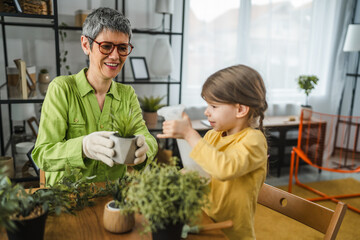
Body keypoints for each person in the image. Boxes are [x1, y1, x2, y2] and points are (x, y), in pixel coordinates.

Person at [32, 7, 157, 186]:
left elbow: (146, 138)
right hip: (67, 199)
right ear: (85, 45)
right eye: (106, 46)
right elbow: (43, 155)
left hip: (112, 198)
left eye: (122, 48)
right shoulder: (62, 89)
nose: (115, 56)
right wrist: (83, 147)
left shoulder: (127, 95)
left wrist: (146, 148)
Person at [157, 64, 268, 240]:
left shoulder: (254, 141)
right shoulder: (212, 135)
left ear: (240, 109)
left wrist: (189, 134)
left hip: (231, 234)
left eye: (214, 106)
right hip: (203, 221)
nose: (206, 112)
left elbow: (224, 169)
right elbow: (197, 170)